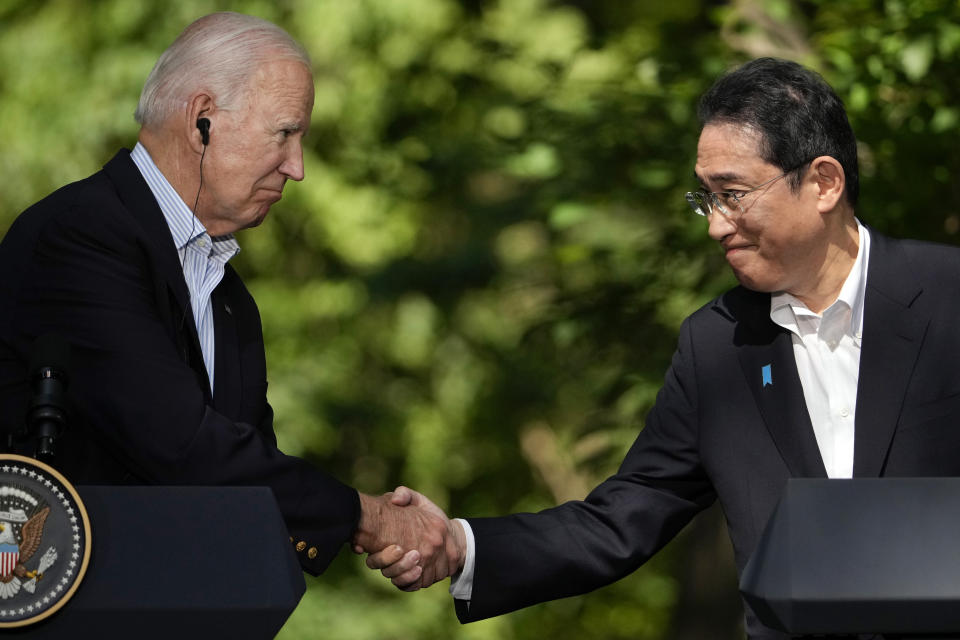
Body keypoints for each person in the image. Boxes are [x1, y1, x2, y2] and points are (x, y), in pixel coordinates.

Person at [364, 57, 960, 638]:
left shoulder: (948, 298)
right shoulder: (716, 343)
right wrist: (465, 546)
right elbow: (628, 513)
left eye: (734, 193)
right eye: (707, 198)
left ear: (824, 183)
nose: (715, 225)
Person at [0, 12, 460, 583]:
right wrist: (365, 517)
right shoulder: (78, 236)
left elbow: (244, 485)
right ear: (202, 121)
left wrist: (359, 524)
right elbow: (178, 444)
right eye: (285, 133)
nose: (297, 168)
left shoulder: (230, 298)